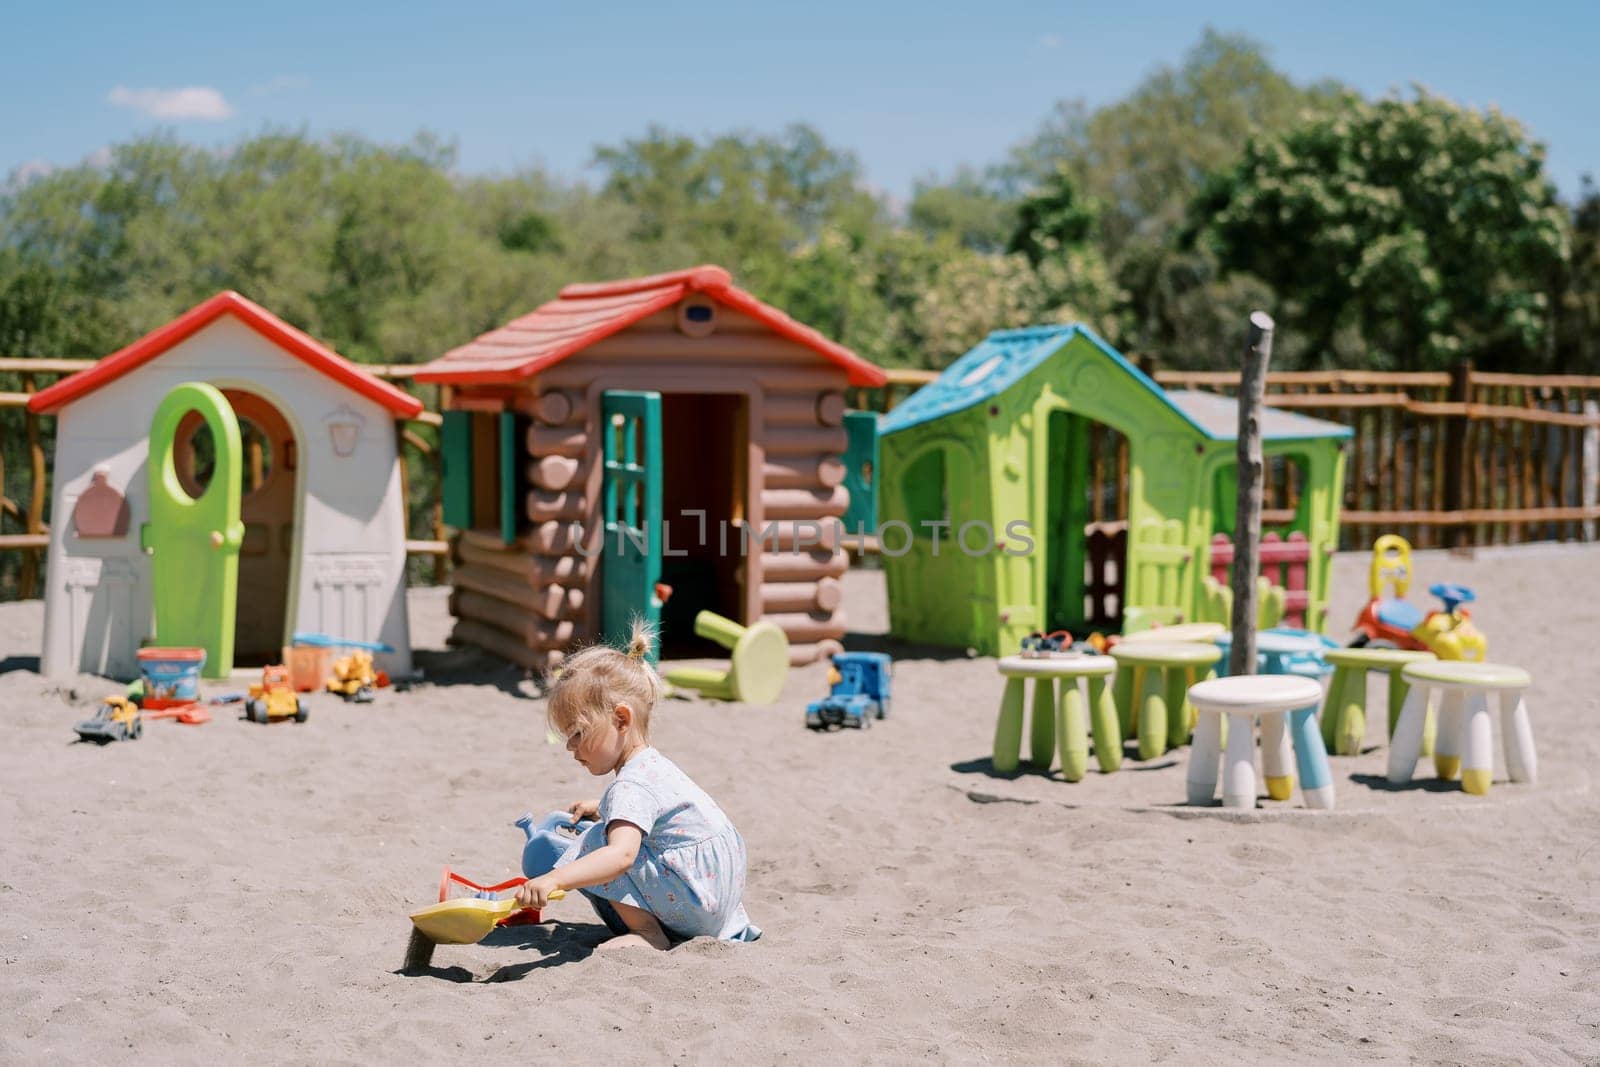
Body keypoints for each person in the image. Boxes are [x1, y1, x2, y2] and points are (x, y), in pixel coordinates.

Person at [515, 621, 761, 949]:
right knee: (608, 833)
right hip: (720, 898)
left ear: (621, 719)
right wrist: (602, 809)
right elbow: (658, 816)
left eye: (578, 733)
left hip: (695, 901)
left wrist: (555, 877)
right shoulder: (652, 765)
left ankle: (648, 933)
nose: (570, 747)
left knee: (596, 844)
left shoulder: (630, 786)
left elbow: (621, 857)